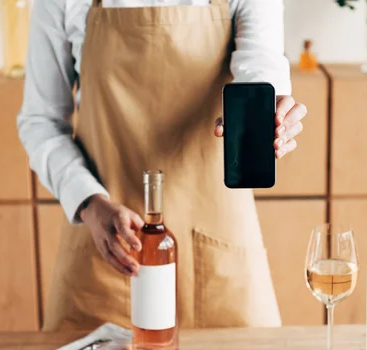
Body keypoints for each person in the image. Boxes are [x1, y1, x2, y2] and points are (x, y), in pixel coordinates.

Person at [18, 0, 308, 331]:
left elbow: (260, 68)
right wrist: (88, 202)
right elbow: (40, 120)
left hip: (221, 259)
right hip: (108, 249)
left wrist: (271, 111)